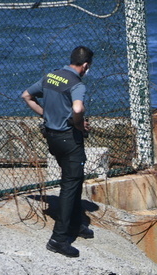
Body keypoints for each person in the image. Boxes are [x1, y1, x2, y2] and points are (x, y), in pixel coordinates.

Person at [22, 46, 95, 258]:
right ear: (85, 65)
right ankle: (58, 239)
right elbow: (78, 109)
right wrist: (78, 124)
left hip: (52, 138)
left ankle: (74, 224)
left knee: (74, 180)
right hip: (69, 140)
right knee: (70, 187)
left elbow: (26, 95)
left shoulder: (51, 77)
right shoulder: (77, 84)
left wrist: (47, 114)